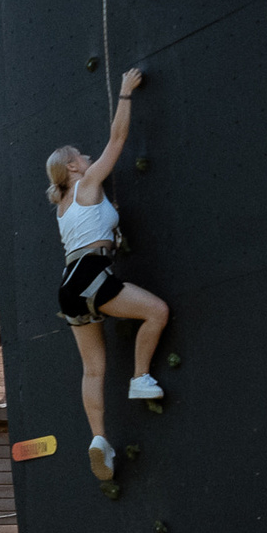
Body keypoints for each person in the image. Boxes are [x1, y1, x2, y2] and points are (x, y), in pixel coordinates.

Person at [48, 67, 171, 481]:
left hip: (69, 286)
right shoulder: (88, 184)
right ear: (73, 167)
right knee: (156, 311)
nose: (87, 157)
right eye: (80, 155)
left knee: (93, 370)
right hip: (93, 273)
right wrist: (124, 94)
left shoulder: (63, 206)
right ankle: (140, 377)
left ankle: (99, 438)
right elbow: (117, 140)